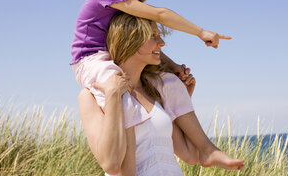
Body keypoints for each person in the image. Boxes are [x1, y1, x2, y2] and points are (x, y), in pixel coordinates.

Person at [71, 0, 243, 169]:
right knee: (118, 87)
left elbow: (140, 43)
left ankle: (206, 148)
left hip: (108, 53)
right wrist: (201, 32)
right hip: (90, 59)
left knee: (170, 82)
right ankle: (127, 168)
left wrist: (171, 68)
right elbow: (160, 15)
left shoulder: (124, 8)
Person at [79, 14, 199, 175]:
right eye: (153, 36)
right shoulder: (90, 96)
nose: (162, 43)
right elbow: (111, 164)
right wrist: (113, 96)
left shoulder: (153, 91)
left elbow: (190, 155)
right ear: (131, 41)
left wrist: (183, 102)